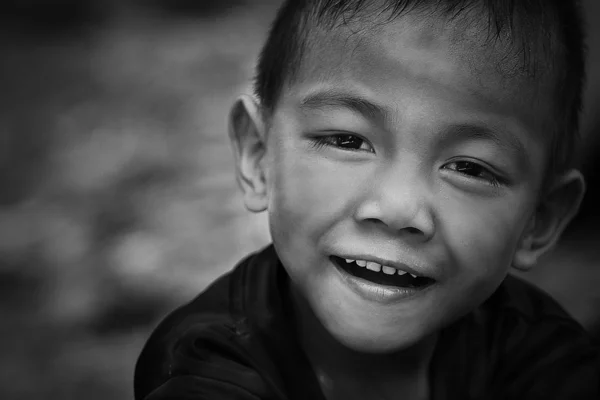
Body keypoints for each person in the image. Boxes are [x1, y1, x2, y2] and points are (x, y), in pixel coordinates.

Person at [134, 1, 600, 399]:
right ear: (259, 156)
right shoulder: (206, 366)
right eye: (347, 141)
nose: (399, 210)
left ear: (540, 219)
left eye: (470, 168)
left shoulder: (545, 358)